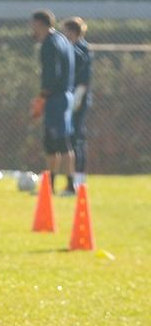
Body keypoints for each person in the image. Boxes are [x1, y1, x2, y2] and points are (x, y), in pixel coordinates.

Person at [30, 9, 76, 195]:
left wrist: (42, 98)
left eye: (33, 25)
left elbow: (51, 75)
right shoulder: (62, 39)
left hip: (56, 98)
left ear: (40, 24)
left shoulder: (49, 44)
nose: (31, 29)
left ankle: (61, 186)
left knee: (56, 143)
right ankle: (58, 185)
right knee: (61, 142)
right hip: (65, 96)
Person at [63, 16, 91, 194]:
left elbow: (84, 79)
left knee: (76, 139)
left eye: (65, 31)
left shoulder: (81, 50)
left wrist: (77, 98)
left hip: (77, 100)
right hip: (71, 98)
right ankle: (74, 178)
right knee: (72, 139)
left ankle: (78, 178)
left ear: (72, 32)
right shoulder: (72, 48)